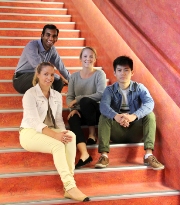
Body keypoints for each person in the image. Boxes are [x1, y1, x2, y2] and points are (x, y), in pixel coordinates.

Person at [19, 62, 89, 202]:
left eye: (52, 74)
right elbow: (33, 121)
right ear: (38, 75)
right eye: (45, 74)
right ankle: (70, 186)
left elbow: (58, 121)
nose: (49, 78)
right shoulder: (30, 94)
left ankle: (69, 187)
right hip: (29, 132)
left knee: (70, 136)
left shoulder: (57, 95)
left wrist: (62, 134)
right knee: (57, 145)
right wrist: (56, 136)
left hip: (50, 130)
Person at [95, 56, 165, 170]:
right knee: (104, 116)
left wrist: (134, 116)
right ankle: (104, 156)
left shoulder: (139, 87)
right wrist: (116, 116)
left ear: (132, 72)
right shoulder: (110, 90)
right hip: (116, 132)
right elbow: (103, 106)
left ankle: (148, 155)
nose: (123, 73)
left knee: (150, 115)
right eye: (119, 70)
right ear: (114, 73)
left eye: (126, 70)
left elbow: (149, 103)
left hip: (135, 131)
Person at [66, 46, 106, 169]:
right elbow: (69, 98)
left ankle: (92, 134)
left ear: (95, 59)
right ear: (80, 58)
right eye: (85, 56)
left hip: (96, 111)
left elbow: (101, 94)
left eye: (91, 56)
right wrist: (73, 109)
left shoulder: (99, 74)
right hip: (81, 111)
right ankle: (84, 154)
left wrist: (78, 99)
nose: (88, 59)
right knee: (72, 119)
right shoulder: (74, 77)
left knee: (85, 101)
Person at [13, 24, 70, 94]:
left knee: (58, 82)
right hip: (21, 78)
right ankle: (41, 103)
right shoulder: (32, 46)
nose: (51, 38)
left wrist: (72, 82)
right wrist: (58, 77)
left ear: (56, 38)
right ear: (42, 36)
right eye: (48, 35)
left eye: (54, 36)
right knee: (44, 79)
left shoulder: (52, 50)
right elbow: (40, 68)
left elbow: (61, 67)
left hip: (38, 75)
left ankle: (52, 103)